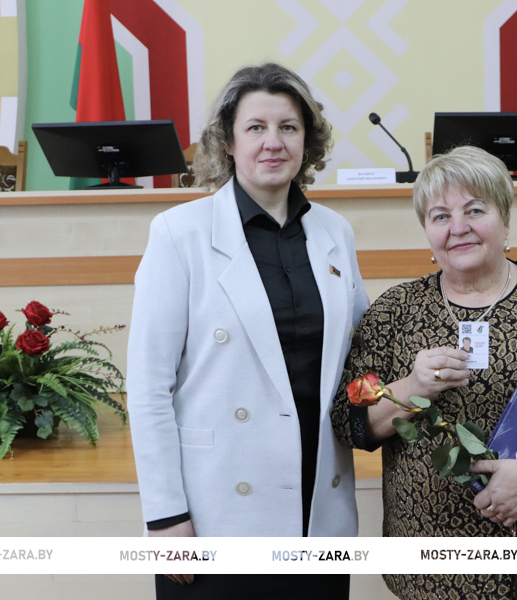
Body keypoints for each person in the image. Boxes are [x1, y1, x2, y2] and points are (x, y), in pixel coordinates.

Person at [330, 146, 517, 600]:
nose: (458, 227)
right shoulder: (395, 312)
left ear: (505, 219)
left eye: (474, 210)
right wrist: (412, 388)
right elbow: (348, 417)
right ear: (427, 231)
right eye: (440, 216)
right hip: (430, 562)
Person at [127, 62, 368, 599]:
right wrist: (165, 516)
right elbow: (147, 388)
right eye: (256, 127)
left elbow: (362, 356)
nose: (272, 142)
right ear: (228, 142)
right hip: (216, 512)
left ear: (307, 141)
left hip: (319, 507)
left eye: (288, 127)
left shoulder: (335, 232)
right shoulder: (178, 234)